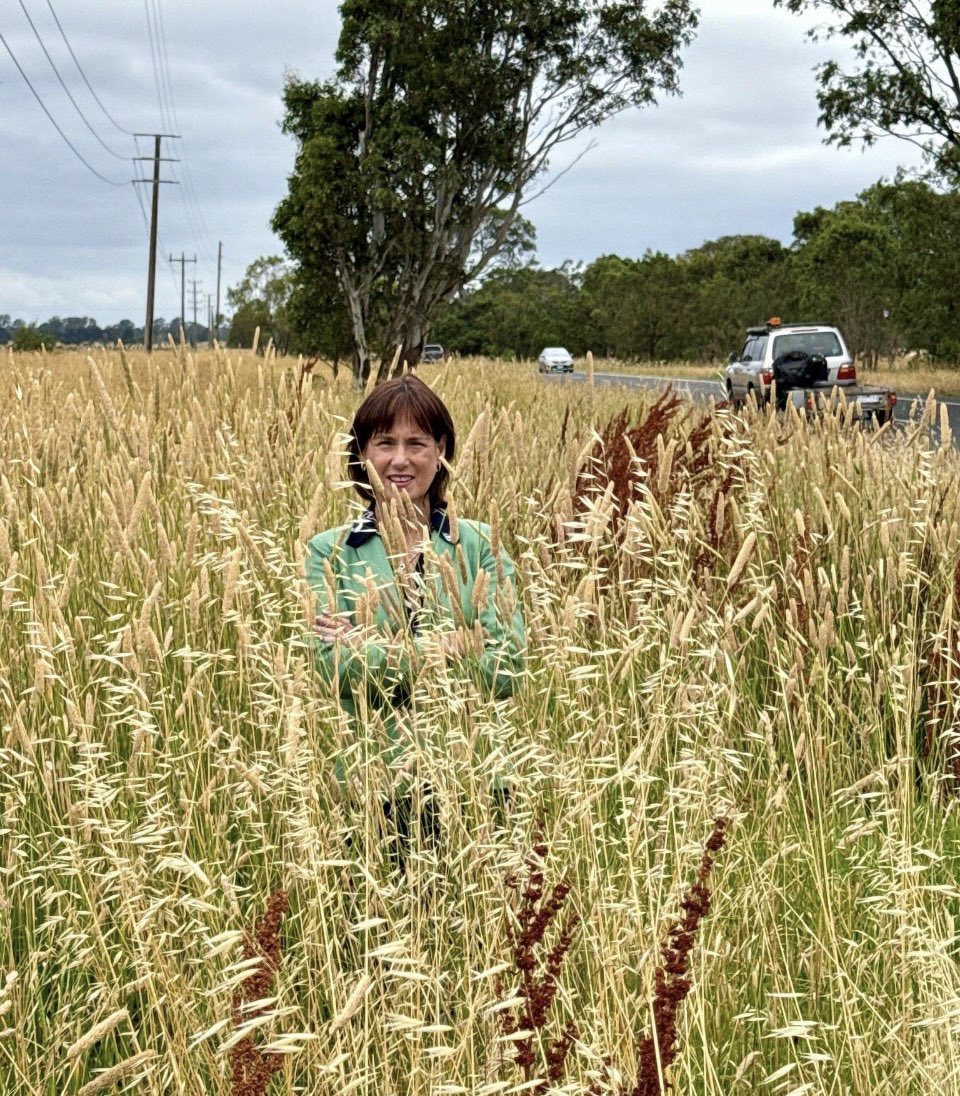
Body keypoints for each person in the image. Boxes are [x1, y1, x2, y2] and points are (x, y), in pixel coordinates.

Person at [305, 375, 525, 868]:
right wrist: (454, 645)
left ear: (441, 449)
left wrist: (372, 645)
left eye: (416, 443)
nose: (399, 460)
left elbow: (508, 667)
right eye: (385, 443)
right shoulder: (330, 553)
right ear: (362, 453)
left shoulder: (479, 544)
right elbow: (332, 668)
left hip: (475, 781)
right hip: (372, 783)